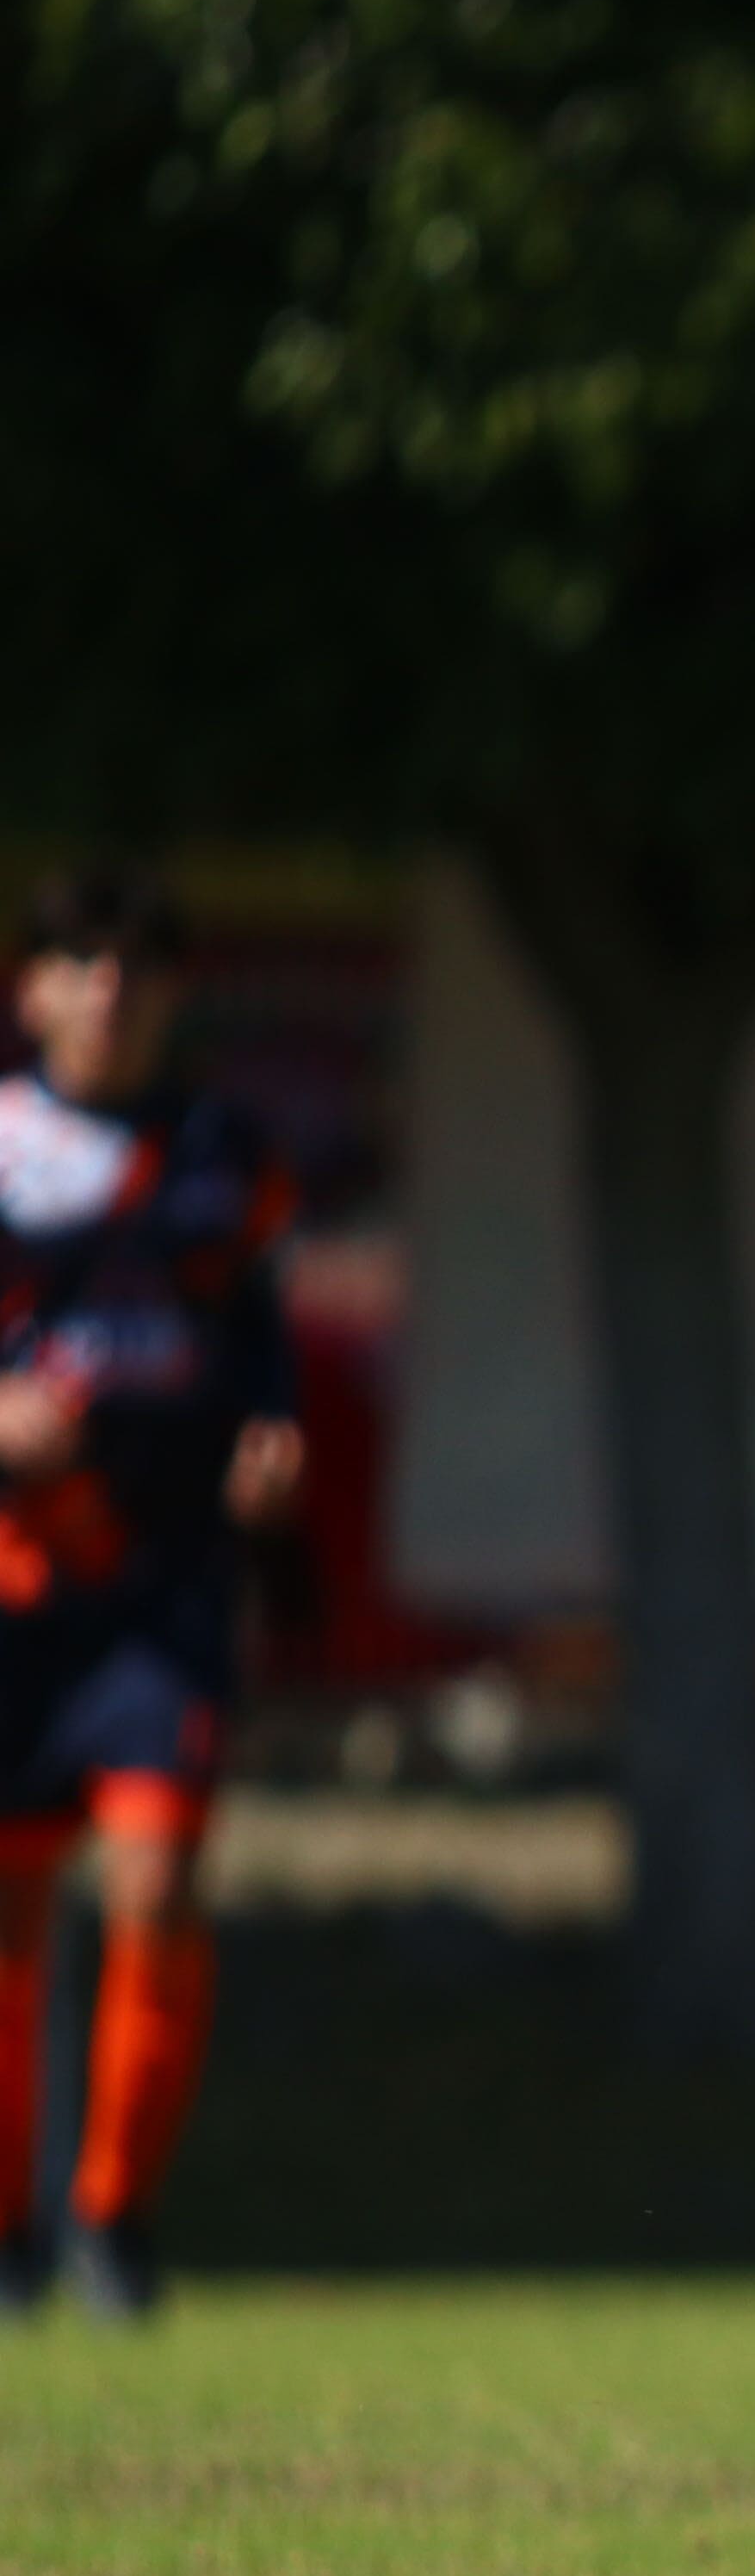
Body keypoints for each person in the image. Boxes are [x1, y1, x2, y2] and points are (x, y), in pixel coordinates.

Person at [0, 869, 305, 2326]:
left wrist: (268, 1436)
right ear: (33, 988)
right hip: (15, 1589)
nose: (107, 988)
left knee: (159, 1882)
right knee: (11, 1912)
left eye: (135, 964)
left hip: (166, 1587)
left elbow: (259, 1342)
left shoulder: (219, 1158)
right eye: (78, 959)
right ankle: (7, 2231)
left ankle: (113, 2221)